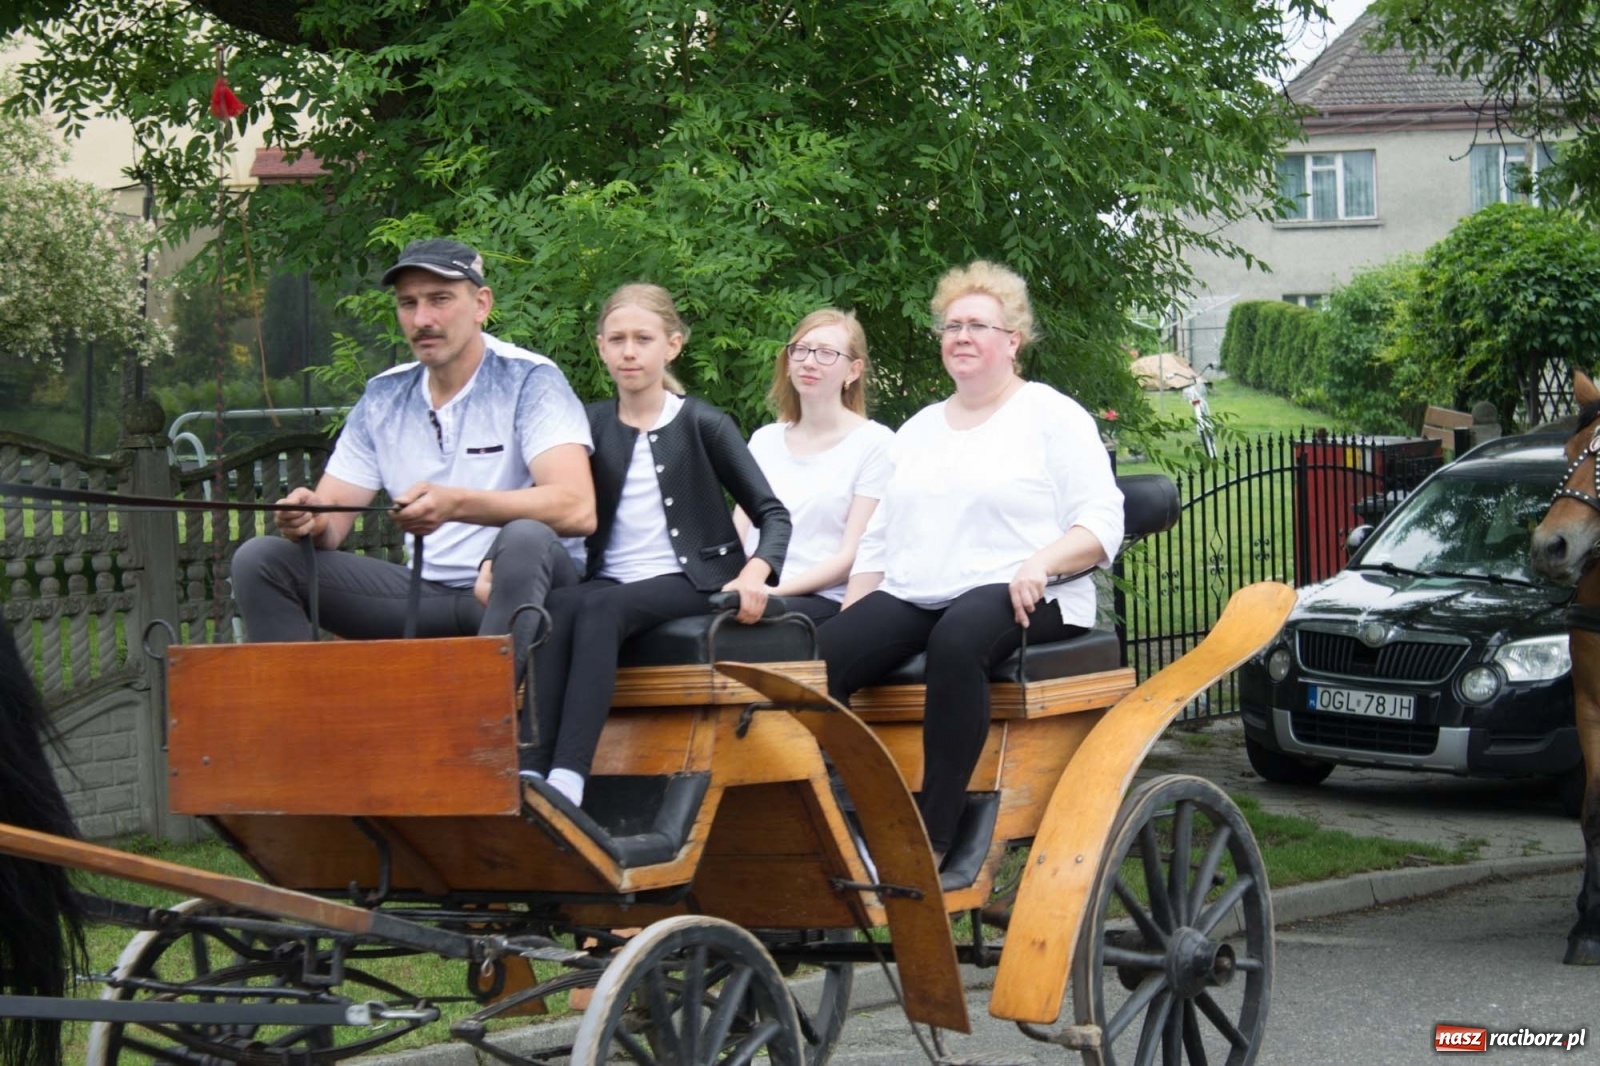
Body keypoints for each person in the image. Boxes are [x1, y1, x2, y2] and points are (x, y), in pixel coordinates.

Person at [816, 261, 1124, 862]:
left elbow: (1100, 521)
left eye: (978, 325)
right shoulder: (918, 431)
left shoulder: (1051, 416)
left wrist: (1040, 563)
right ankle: (845, 809)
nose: (960, 336)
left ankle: (933, 834)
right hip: (918, 591)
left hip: (1029, 593)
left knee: (959, 638)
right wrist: (852, 610)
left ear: (1013, 341)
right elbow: (879, 540)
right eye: (951, 325)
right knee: (820, 655)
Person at [231, 238, 596, 667]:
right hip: (425, 597)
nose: (422, 319)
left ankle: (482, 719)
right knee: (260, 560)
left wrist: (456, 503)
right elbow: (330, 528)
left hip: (520, 589)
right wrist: (306, 517)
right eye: (408, 303)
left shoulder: (528, 379)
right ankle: (307, 724)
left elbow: (577, 508)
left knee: (525, 537)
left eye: (440, 299)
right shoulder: (384, 395)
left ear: (481, 304)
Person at [521, 283, 790, 807]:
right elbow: (547, 500)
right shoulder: (590, 423)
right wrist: (494, 560)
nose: (628, 351)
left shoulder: (703, 423)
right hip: (608, 577)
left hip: (694, 579)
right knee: (557, 605)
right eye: (617, 339)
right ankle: (529, 769)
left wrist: (755, 572)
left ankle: (569, 778)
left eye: (642, 338)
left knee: (602, 608)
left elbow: (772, 514)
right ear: (600, 346)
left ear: (672, 345)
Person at [734, 309, 893, 624]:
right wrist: (743, 583)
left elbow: (851, 556)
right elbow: (738, 531)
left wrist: (773, 592)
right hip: (747, 588)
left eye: (826, 354)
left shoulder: (875, 444)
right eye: (801, 350)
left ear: (853, 370)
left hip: (817, 600)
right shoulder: (765, 440)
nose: (808, 362)